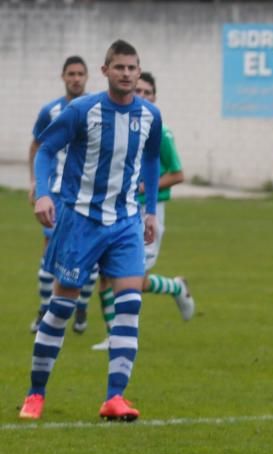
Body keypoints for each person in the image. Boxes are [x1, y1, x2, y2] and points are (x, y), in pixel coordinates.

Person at [19, 39, 163, 422]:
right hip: (80, 220)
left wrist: (149, 212)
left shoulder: (150, 115)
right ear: (105, 71)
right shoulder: (82, 110)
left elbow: (151, 158)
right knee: (61, 307)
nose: (128, 74)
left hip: (126, 222)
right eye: (120, 67)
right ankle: (35, 393)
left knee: (129, 307)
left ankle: (115, 397)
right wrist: (44, 194)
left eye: (133, 67)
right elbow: (46, 150)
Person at [91, 70, 194, 351]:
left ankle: (176, 288)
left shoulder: (160, 131)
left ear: (155, 97)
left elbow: (178, 174)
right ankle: (113, 336)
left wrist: (144, 188)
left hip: (150, 211)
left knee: (134, 278)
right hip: (118, 210)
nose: (144, 97)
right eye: (140, 92)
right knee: (105, 272)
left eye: (149, 93)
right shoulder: (122, 127)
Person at [28, 55, 98, 336]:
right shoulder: (51, 111)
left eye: (80, 73)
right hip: (56, 196)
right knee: (50, 254)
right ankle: (46, 310)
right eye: (71, 73)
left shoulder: (96, 108)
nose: (76, 78)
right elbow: (38, 146)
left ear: (87, 77)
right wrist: (35, 182)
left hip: (87, 197)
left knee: (87, 256)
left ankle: (80, 306)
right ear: (63, 77)